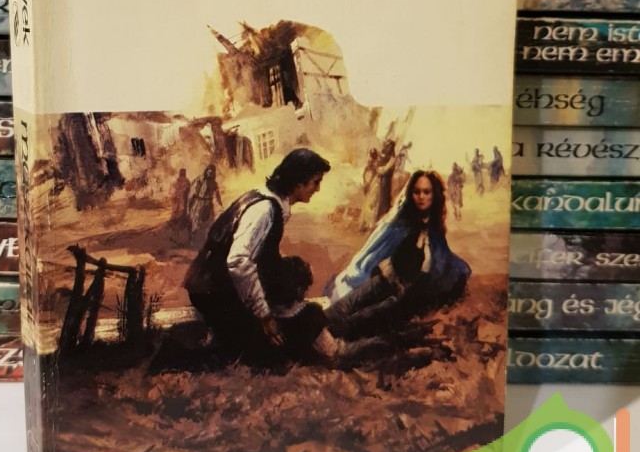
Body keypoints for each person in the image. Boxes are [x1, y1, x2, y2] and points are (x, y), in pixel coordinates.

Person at [183, 148, 332, 361]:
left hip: (213, 285)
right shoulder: (264, 210)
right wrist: (264, 316)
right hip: (214, 292)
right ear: (299, 182)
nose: (317, 189)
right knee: (286, 337)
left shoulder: (266, 199)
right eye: (315, 182)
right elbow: (238, 262)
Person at [325, 170, 471, 339]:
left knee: (356, 324)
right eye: (417, 192)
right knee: (339, 311)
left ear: (434, 195)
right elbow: (373, 254)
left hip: (405, 299)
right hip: (385, 282)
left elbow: (442, 262)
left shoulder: (434, 229)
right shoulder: (399, 224)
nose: (421, 197)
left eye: (426, 192)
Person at [187, 163, 222, 237]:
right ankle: (193, 236)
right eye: (209, 171)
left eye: (212, 172)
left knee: (209, 221)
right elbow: (194, 191)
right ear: (206, 171)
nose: (210, 173)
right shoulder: (200, 180)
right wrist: (192, 201)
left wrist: (220, 204)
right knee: (196, 220)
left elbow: (217, 195)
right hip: (200, 202)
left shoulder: (214, 183)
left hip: (208, 203)